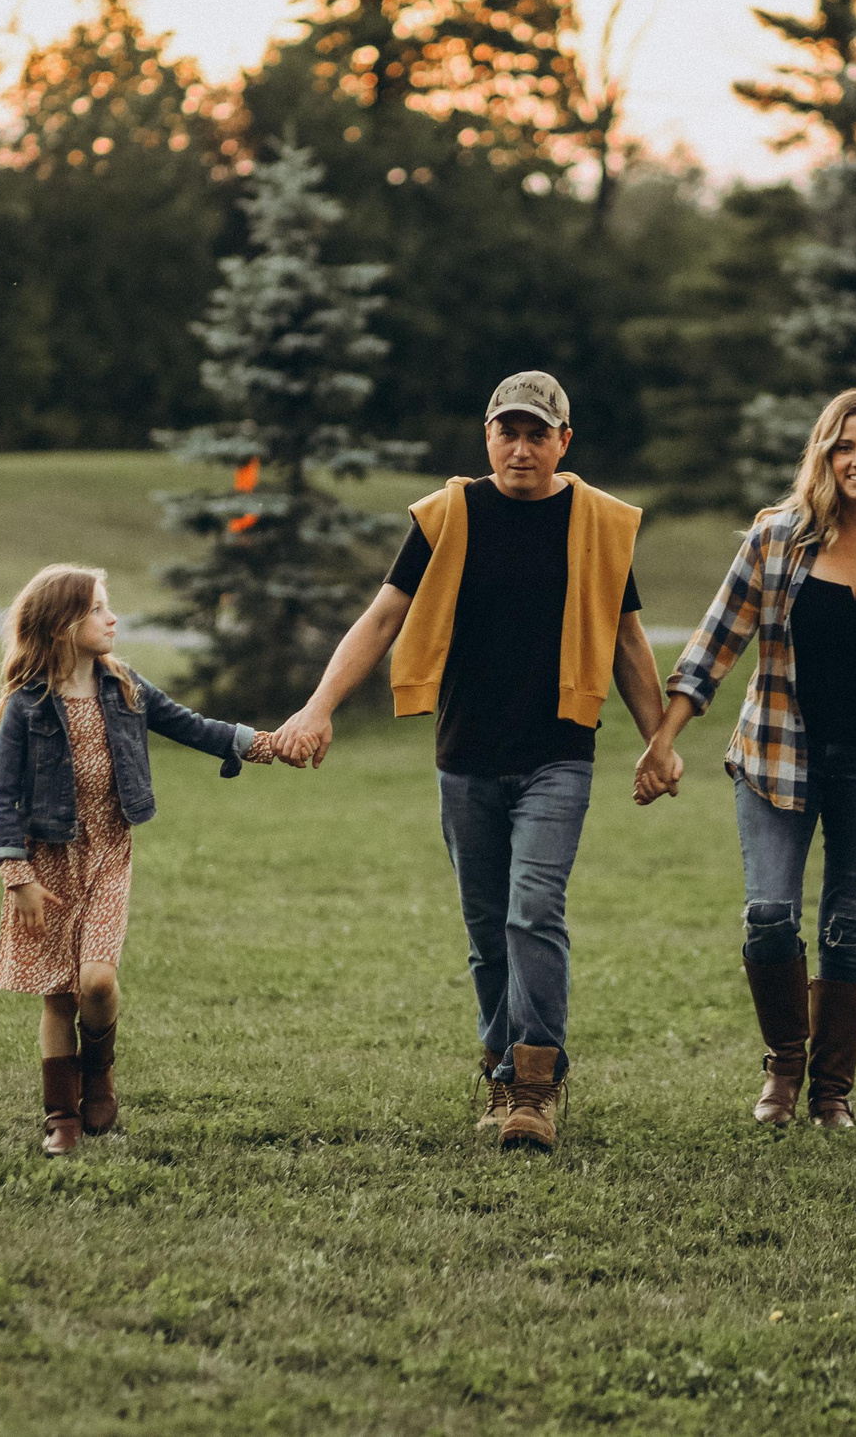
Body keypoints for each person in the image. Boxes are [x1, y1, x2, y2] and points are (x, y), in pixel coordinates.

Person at [273, 372, 664, 1154]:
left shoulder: (597, 524)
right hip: (466, 757)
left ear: (564, 442)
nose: (521, 448)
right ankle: (496, 1062)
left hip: (559, 753)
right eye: (506, 432)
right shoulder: (448, 516)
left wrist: (662, 739)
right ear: (487, 437)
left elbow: (626, 640)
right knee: (488, 931)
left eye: (537, 433)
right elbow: (383, 616)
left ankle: (533, 1084)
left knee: (532, 909)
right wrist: (317, 707)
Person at [638, 389, 856, 1129]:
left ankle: (832, 1090)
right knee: (769, 914)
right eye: (843, 446)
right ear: (824, 456)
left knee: (847, 931)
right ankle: (785, 1065)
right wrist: (663, 736)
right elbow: (714, 643)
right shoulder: (778, 538)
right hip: (777, 753)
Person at [0, 564, 297, 1156]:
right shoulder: (28, 705)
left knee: (97, 981)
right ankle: (62, 1116)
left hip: (108, 855)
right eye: (98, 609)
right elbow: (2, 796)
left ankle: (98, 1070)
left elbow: (187, 723)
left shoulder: (122, 684)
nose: (112, 618)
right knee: (59, 995)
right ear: (61, 625)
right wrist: (16, 876)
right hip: (47, 864)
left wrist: (257, 744)